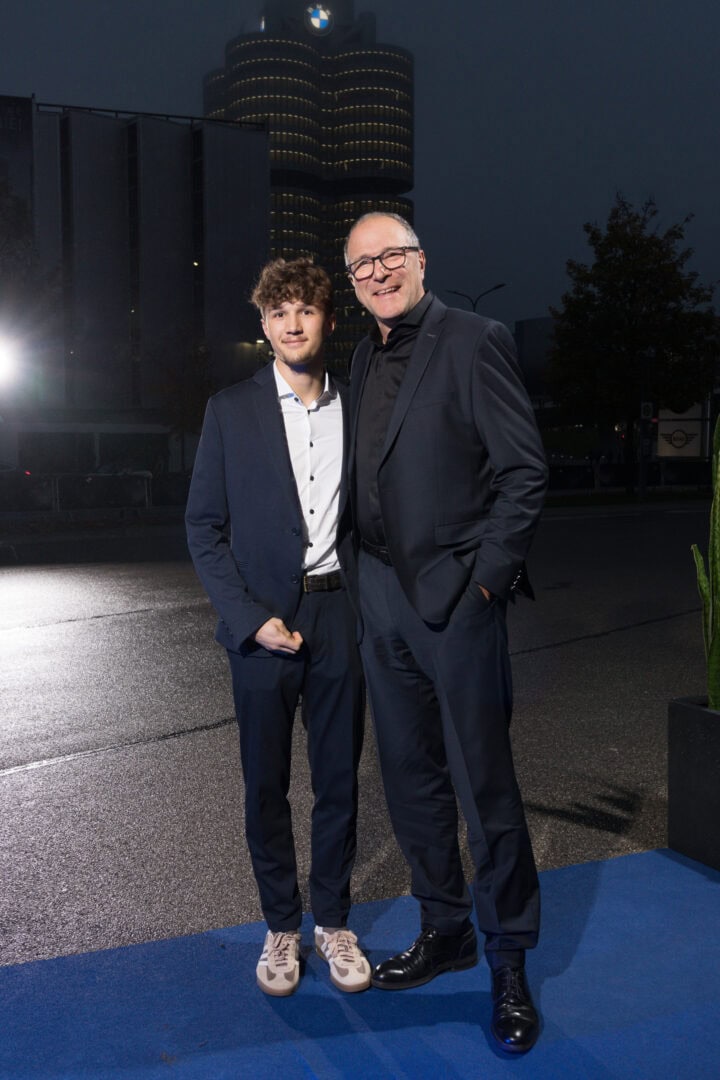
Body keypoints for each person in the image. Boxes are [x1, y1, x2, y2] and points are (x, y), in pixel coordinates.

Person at [344, 212, 548, 1053]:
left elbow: (524, 471)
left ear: (422, 260)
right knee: (411, 783)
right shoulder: (362, 355)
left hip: (457, 602)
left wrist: (486, 584)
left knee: (483, 790)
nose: (380, 272)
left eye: (392, 256)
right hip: (380, 595)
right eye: (363, 265)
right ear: (353, 283)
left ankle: (507, 962)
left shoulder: (474, 338)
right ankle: (446, 930)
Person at [185, 258, 370, 997]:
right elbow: (203, 527)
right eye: (279, 311)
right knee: (266, 786)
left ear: (328, 319)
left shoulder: (356, 408)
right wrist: (249, 619)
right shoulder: (230, 410)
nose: (293, 322)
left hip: (338, 613)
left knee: (339, 782)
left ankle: (332, 921)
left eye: (307, 309)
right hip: (262, 622)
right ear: (263, 327)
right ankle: (281, 927)